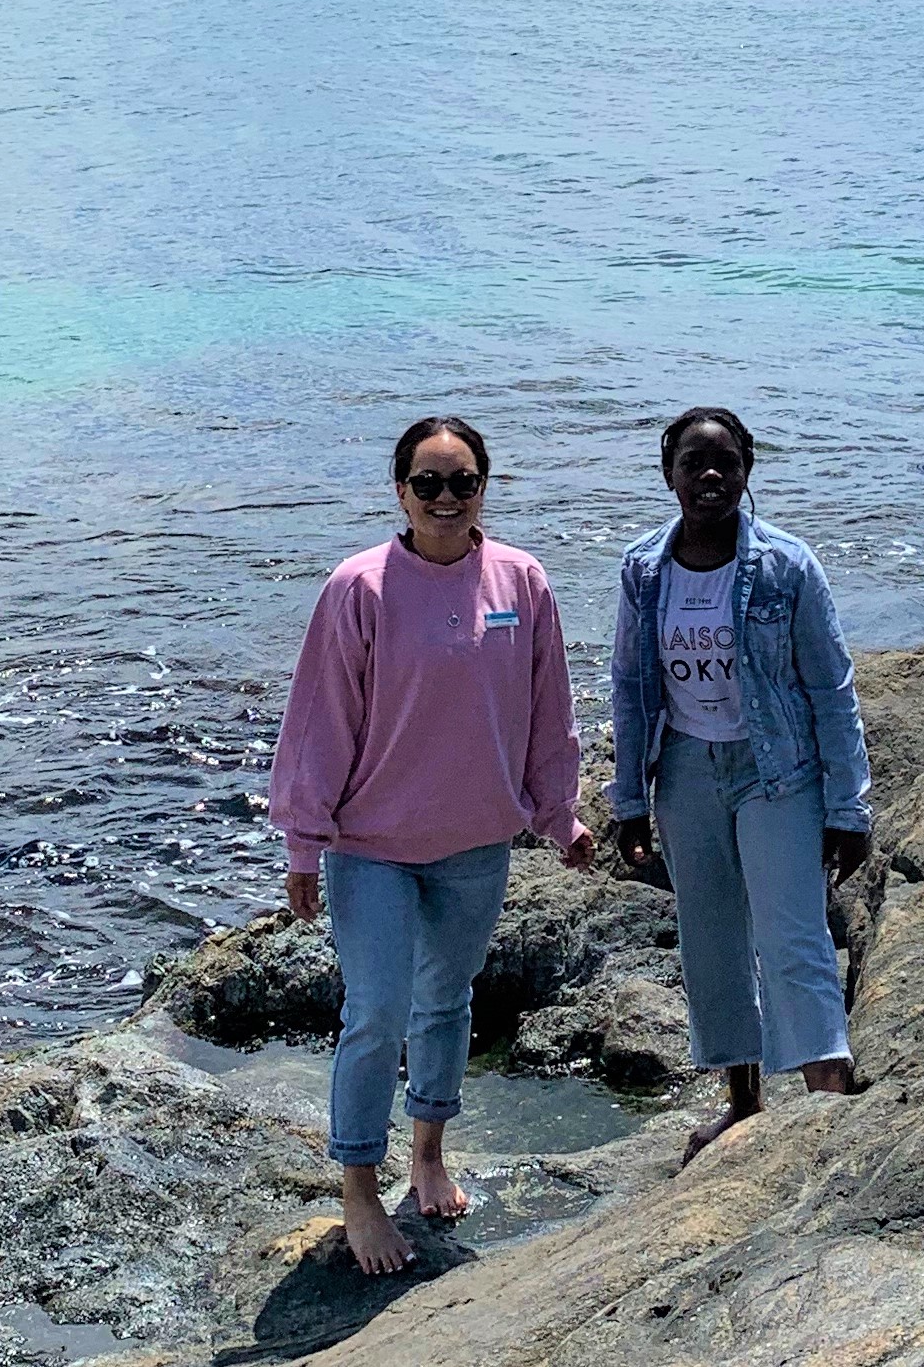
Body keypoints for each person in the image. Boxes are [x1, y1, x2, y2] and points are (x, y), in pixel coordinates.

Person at [270, 414, 593, 1275]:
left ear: (486, 486)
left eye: (463, 482)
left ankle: (428, 1154)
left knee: (446, 1002)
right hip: (370, 844)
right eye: (428, 484)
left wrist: (558, 814)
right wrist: (305, 841)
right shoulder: (359, 587)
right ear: (400, 491)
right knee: (375, 1012)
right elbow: (319, 722)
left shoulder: (522, 582)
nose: (446, 500)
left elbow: (547, 707)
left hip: (475, 843)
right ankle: (359, 1195)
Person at [607, 407, 873, 1162]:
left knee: (793, 934)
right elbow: (628, 686)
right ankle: (744, 1103)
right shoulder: (642, 571)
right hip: (687, 770)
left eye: (726, 463)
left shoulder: (789, 566)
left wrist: (849, 806)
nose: (711, 477)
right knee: (712, 939)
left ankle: (828, 1094)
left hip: (776, 770)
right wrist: (628, 800)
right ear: (670, 476)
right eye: (695, 464)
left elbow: (832, 687)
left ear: (748, 471)